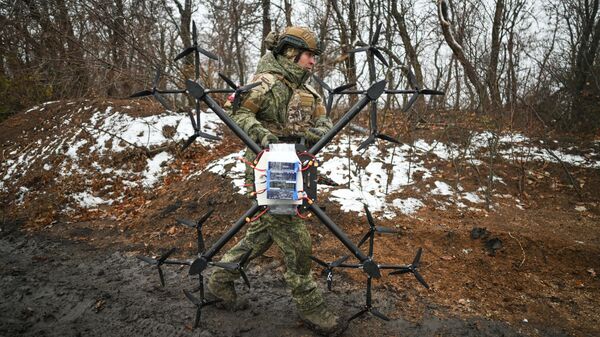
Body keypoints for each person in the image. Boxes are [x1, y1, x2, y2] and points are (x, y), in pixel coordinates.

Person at [207, 27, 347, 336]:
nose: (313, 62)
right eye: (310, 55)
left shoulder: (309, 90)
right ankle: (310, 305)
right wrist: (262, 135)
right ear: (290, 53)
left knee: (263, 234)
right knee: (296, 239)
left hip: (297, 166)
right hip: (268, 168)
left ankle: (219, 279)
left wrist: (317, 131)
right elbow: (238, 113)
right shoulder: (264, 84)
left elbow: (323, 119)